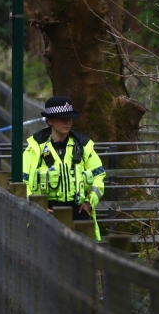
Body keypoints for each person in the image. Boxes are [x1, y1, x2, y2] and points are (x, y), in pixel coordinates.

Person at [22, 96, 106, 241]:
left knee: (82, 259)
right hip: (45, 213)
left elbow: (99, 175)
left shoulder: (83, 146)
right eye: (62, 118)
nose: (67, 122)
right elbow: (22, 182)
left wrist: (89, 203)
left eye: (70, 118)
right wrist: (35, 206)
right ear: (50, 121)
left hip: (79, 212)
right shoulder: (35, 148)